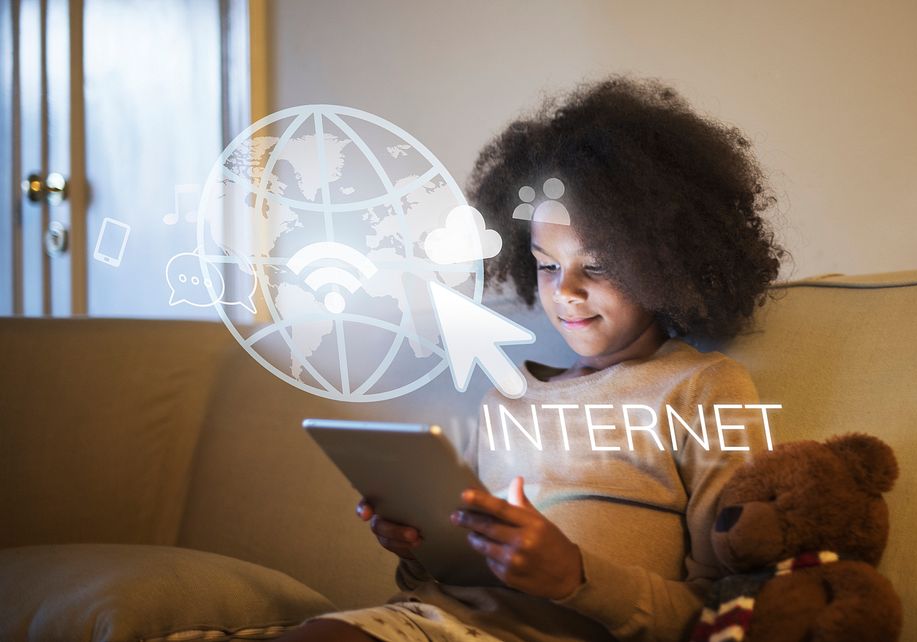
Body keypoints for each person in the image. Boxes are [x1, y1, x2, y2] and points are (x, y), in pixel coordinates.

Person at [279, 74, 786, 642]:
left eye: (597, 265)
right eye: (547, 265)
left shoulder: (702, 388)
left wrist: (575, 577)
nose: (565, 290)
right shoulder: (505, 396)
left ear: (667, 262)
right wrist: (417, 548)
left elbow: (731, 606)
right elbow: (446, 581)